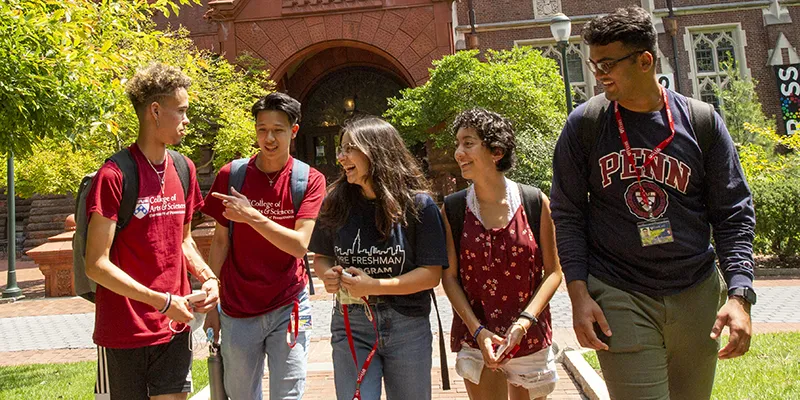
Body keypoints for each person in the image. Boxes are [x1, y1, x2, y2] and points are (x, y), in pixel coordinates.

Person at [550, 7, 756, 399]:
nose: (599, 74)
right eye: (594, 64)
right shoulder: (586, 124)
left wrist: (739, 295)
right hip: (620, 292)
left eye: (607, 63)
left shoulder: (701, 122)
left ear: (645, 60)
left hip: (695, 293)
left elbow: (733, 213)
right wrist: (579, 295)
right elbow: (568, 214)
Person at [85, 63, 219, 400]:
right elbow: (95, 264)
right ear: (155, 111)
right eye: (182, 111)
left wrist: (208, 276)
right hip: (124, 331)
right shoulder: (115, 175)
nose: (187, 120)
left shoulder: (183, 168)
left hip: (175, 326)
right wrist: (162, 302)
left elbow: (183, 240)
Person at [308, 117, 449, 400]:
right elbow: (321, 257)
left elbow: (431, 274)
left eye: (350, 148)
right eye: (340, 149)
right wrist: (328, 275)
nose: (341, 157)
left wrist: (374, 286)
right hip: (352, 322)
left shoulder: (419, 205)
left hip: (407, 324)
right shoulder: (335, 201)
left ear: (376, 151)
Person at [201, 92, 326, 400]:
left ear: (294, 131)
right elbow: (219, 242)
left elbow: (299, 246)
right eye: (262, 129)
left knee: (288, 394)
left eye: (278, 130)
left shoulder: (308, 180)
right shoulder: (233, 175)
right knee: (241, 395)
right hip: (236, 307)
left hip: (290, 304)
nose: (269, 138)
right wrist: (212, 300)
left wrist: (252, 216)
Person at [441, 108, 562, 400]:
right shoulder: (454, 209)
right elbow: (449, 278)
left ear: (496, 151)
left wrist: (524, 322)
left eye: (468, 143)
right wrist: (478, 331)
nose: (458, 152)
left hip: (528, 334)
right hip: (477, 336)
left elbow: (554, 272)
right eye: (457, 143)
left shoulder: (534, 202)